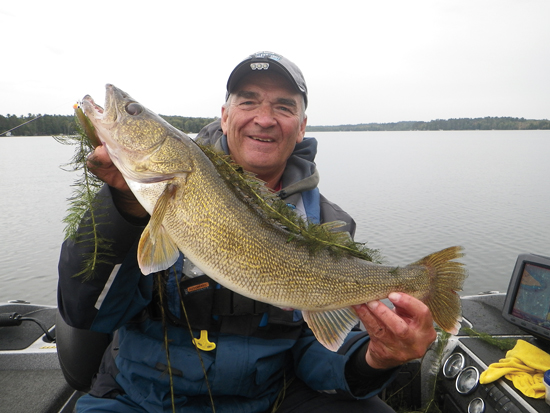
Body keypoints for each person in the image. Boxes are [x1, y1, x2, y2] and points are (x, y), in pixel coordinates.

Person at [57, 51, 437, 412]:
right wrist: (123, 209)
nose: (265, 118)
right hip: (139, 400)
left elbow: (318, 350)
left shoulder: (326, 224)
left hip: (265, 402)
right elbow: (86, 310)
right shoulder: (140, 196)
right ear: (224, 116)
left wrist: (373, 360)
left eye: (284, 106)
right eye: (248, 101)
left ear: (302, 127)